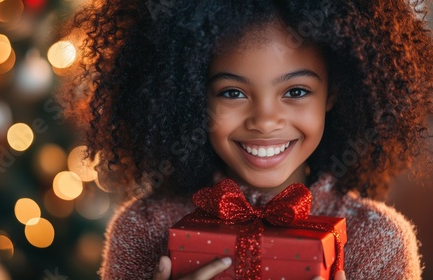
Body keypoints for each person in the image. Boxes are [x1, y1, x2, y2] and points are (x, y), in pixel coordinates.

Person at [60, 0, 432, 279]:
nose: (265, 120)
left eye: (297, 91)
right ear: (189, 98)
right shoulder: (143, 229)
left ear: (334, 94)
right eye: (233, 93)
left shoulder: (377, 240)